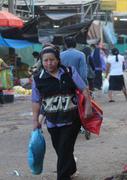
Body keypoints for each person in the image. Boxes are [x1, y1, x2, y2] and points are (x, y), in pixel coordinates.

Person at [31, 46, 92, 180]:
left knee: (64, 149)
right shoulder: (37, 79)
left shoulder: (69, 72)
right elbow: (36, 101)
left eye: (52, 60)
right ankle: (71, 168)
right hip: (52, 121)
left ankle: (63, 177)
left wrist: (88, 106)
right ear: (41, 61)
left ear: (58, 60)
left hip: (72, 119)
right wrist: (35, 120)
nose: (49, 63)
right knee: (61, 149)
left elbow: (84, 89)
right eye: (45, 60)